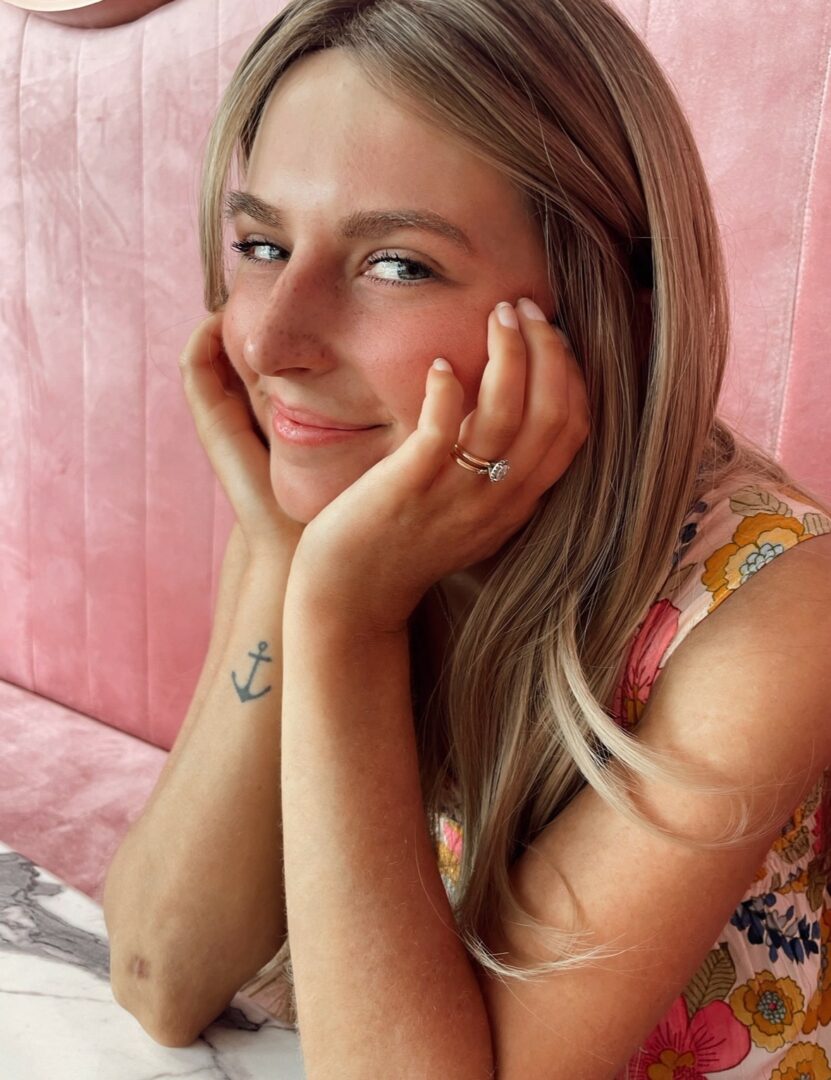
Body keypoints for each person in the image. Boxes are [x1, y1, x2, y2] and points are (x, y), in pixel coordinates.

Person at [103, 1, 831, 1075]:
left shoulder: (774, 613)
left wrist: (345, 618)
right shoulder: (355, 509)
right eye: (261, 245)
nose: (270, 338)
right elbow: (160, 973)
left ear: (597, 306)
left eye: (397, 264)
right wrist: (283, 553)